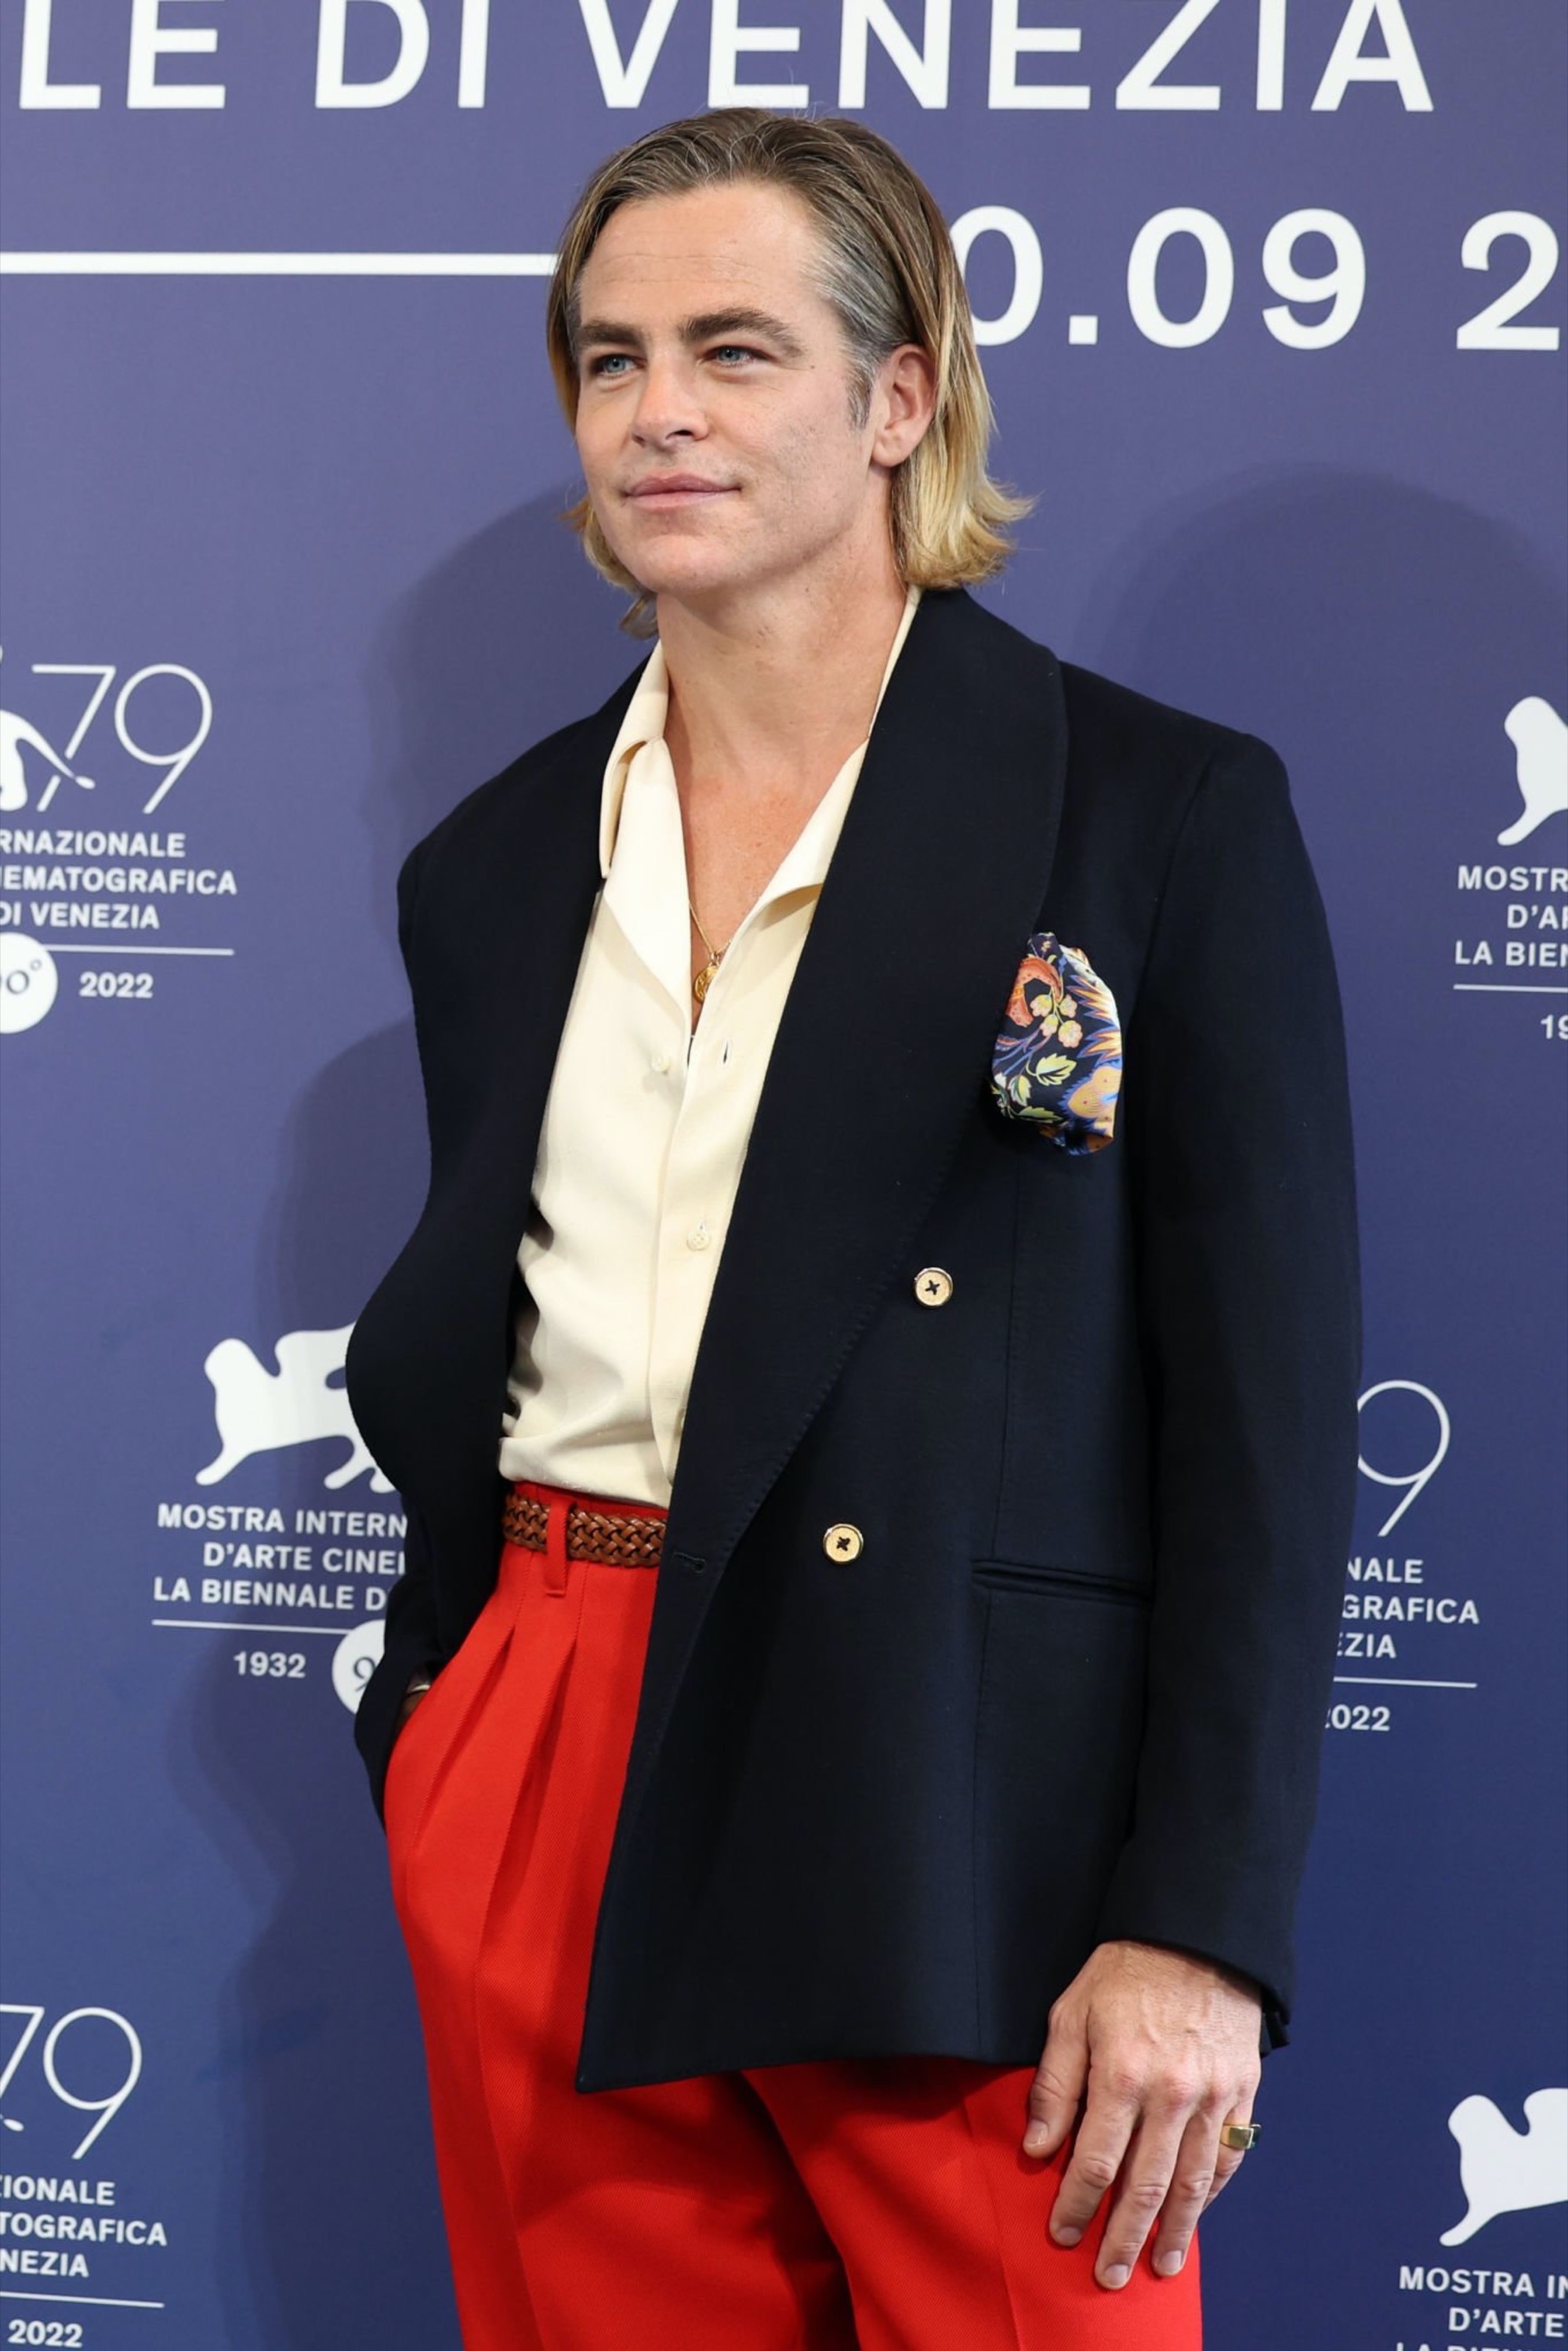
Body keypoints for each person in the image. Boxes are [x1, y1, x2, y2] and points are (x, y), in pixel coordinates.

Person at [345, 107, 1360, 2351]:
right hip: (545, 1721)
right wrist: (447, 1732)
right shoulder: (492, 865)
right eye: (610, 361)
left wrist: (1199, 1919)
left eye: (733, 350)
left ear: (899, 398)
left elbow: (1270, 1438)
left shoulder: (1159, 813)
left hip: (962, 1791)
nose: (658, 413)